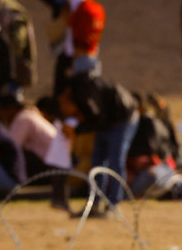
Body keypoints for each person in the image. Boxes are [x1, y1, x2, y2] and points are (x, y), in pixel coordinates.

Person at [57, 69, 138, 210]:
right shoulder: (80, 96)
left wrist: (76, 129)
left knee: (115, 161)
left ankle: (113, 204)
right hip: (107, 121)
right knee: (97, 162)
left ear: (67, 96)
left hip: (123, 118)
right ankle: (93, 204)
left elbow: (98, 118)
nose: (63, 109)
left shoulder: (85, 95)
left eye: (63, 104)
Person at [0, 85, 71, 209]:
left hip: (49, 168)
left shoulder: (23, 118)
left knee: (14, 156)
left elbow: (11, 147)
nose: (3, 116)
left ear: (10, 109)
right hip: (58, 166)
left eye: (3, 112)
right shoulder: (32, 115)